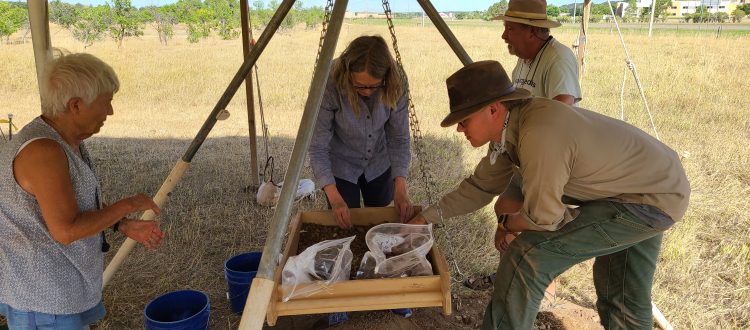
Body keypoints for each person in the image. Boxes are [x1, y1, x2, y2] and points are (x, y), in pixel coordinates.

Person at [409, 60, 690, 330]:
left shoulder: (539, 132)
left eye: (464, 120)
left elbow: (543, 218)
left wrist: (507, 222)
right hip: (652, 185)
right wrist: (425, 218)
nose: (460, 128)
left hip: (649, 199)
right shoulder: (516, 127)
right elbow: (481, 187)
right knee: (623, 293)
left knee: (526, 258)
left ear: (493, 110)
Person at [0, 50, 165, 329]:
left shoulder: (65, 140)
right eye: (106, 103)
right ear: (75, 105)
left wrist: (121, 224)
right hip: (44, 302)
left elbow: (70, 207)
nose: (110, 112)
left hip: (61, 292)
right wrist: (126, 205)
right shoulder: (43, 152)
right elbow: (66, 229)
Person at [463, 0, 585, 294]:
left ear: (532, 31)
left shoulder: (558, 58)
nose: (504, 36)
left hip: (545, 160)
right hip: (520, 156)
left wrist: (528, 143)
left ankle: (543, 291)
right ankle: (508, 279)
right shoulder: (523, 59)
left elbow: (561, 112)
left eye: (510, 29)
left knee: (537, 227)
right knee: (504, 214)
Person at [308, 35, 415, 325]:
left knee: (382, 227)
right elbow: (317, 145)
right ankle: (339, 296)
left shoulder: (396, 80)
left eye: (372, 86)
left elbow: (399, 137)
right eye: (359, 86)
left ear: (385, 78)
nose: (367, 91)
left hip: (378, 161)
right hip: (341, 163)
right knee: (342, 231)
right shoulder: (330, 81)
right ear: (346, 75)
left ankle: (390, 289)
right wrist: (334, 196)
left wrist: (401, 187)